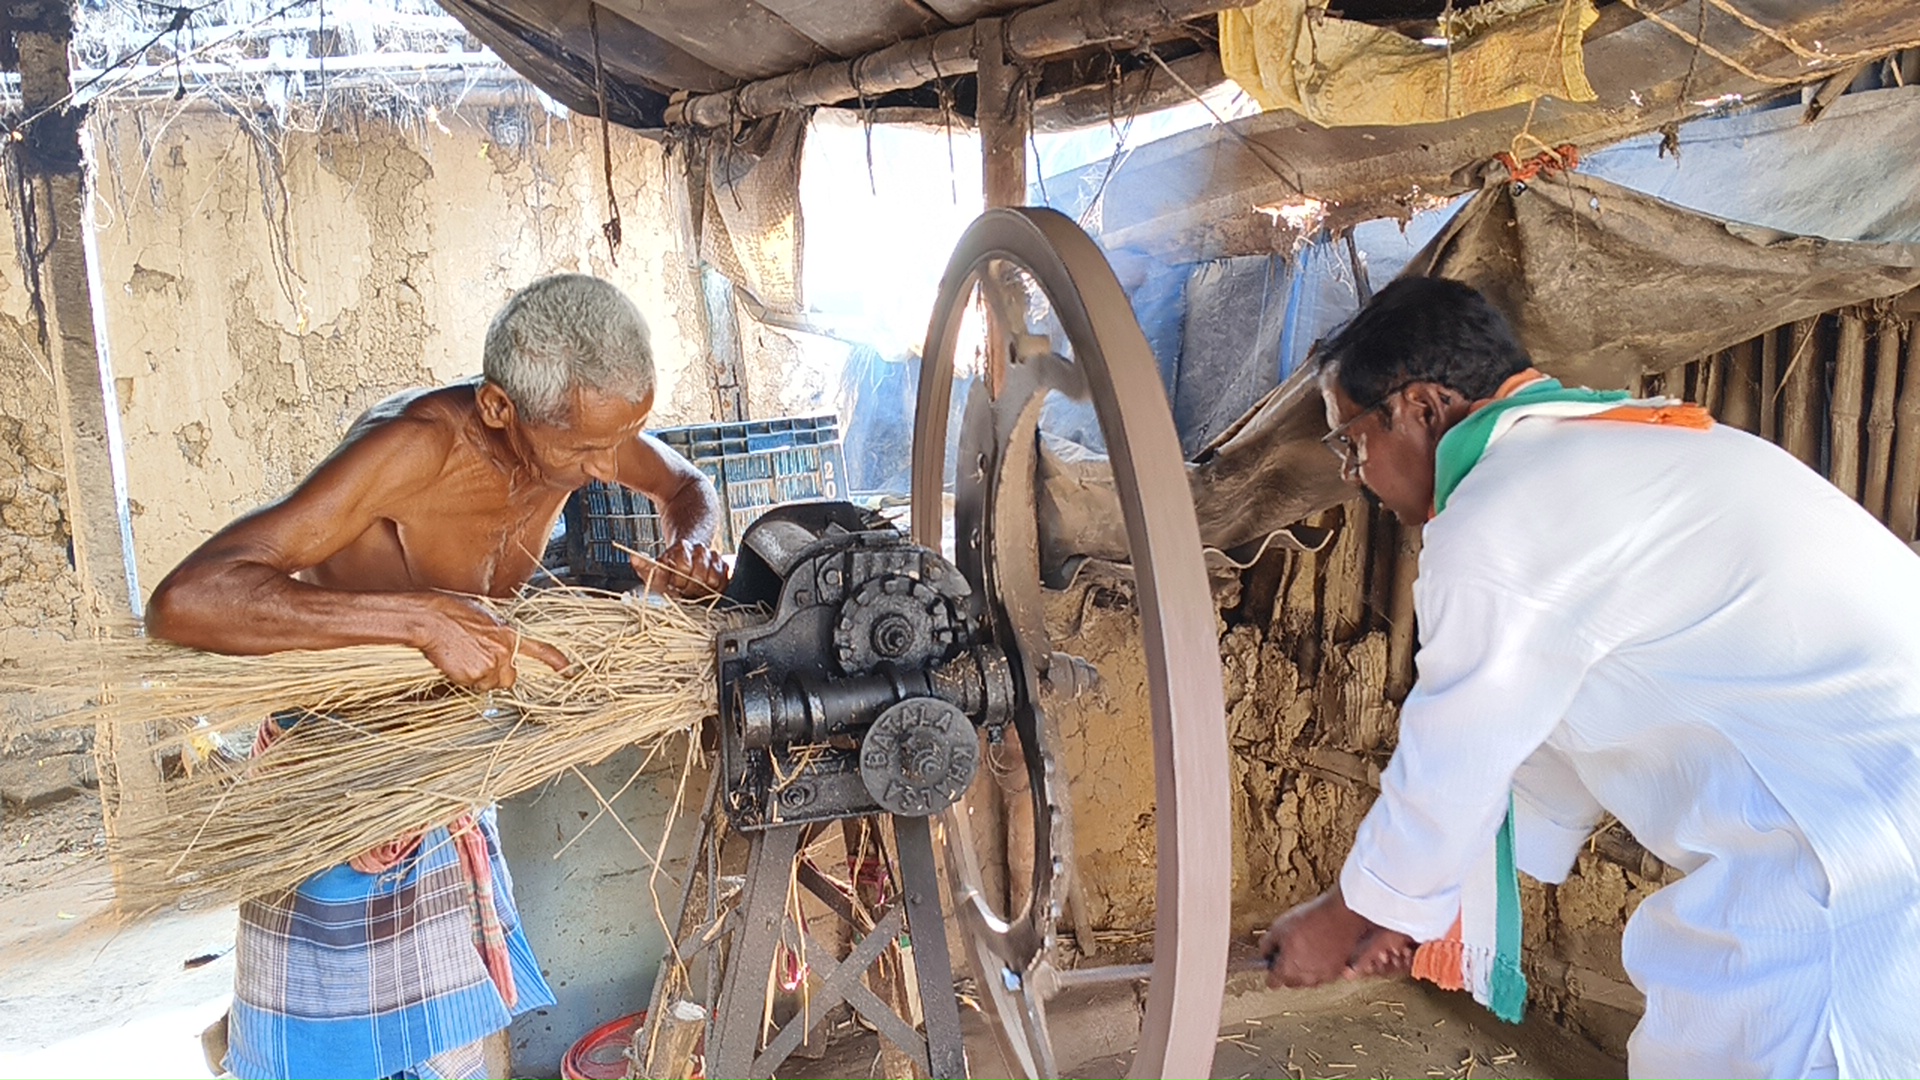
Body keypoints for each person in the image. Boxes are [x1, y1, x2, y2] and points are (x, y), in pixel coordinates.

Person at [1257, 276, 1920, 1080]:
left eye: (1352, 445)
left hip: (1856, 870)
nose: (1354, 477)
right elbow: (1534, 728)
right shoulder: (1620, 451)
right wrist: (1412, 910)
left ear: (1422, 408)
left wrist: (1353, 912)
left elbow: (1458, 746)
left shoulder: (1507, 507)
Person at [148, 273, 730, 1080]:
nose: (604, 469)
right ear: (500, 407)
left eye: (620, 438)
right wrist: (417, 618)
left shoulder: (583, 421)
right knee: (327, 1050)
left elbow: (684, 484)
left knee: (448, 1048)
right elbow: (187, 599)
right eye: (587, 450)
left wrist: (691, 545)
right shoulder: (412, 451)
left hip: (444, 767)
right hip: (340, 772)